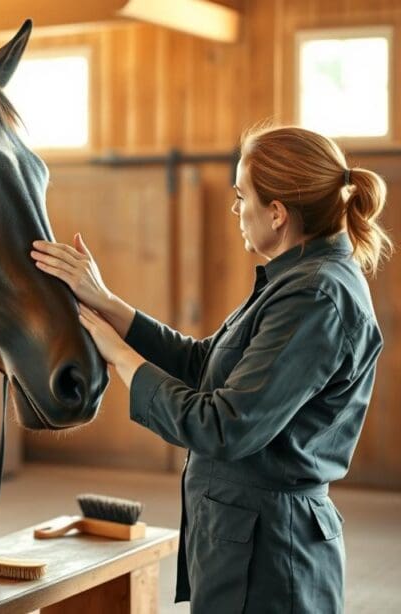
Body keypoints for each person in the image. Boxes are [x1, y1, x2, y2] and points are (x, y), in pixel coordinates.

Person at [30, 125, 393, 613]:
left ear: (278, 213)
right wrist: (109, 303)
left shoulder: (315, 296)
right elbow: (205, 365)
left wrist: (118, 355)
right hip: (246, 538)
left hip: (272, 556)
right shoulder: (297, 278)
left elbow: (224, 426)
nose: (236, 210)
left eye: (241, 197)